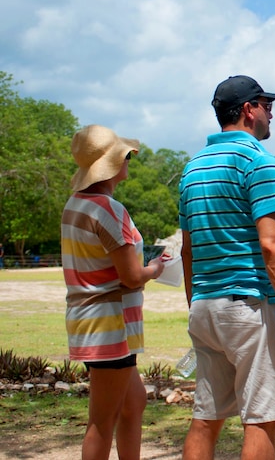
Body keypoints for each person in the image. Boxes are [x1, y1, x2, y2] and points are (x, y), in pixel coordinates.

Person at [178, 75, 275, 460]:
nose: (272, 114)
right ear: (249, 110)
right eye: (267, 105)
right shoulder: (258, 161)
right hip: (248, 304)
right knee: (263, 418)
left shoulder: (192, 168)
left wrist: (196, 302)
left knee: (206, 417)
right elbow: (272, 244)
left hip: (205, 305)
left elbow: (188, 250)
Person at [60, 124, 166, 460]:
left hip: (89, 321)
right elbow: (132, 277)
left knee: (133, 403)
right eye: (125, 156)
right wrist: (159, 268)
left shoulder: (75, 205)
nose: (129, 161)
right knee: (102, 420)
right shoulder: (109, 210)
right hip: (109, 324)